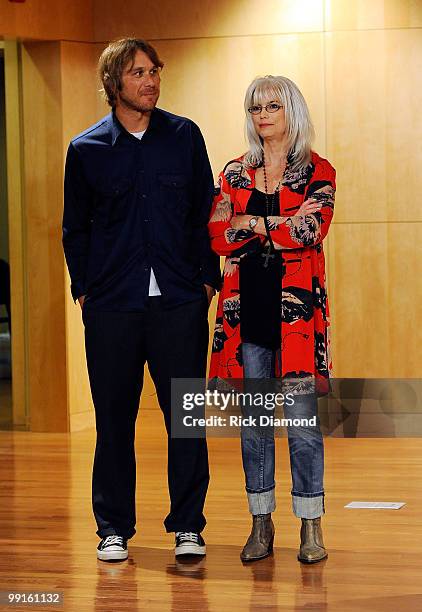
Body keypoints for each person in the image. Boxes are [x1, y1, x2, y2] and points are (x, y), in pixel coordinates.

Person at [62, 38, 221, 562]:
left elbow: (206, 212)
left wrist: (205, 281)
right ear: (114, 83)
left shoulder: (184, 136)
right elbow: (74, 230)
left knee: (186, 418)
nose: (150, 80)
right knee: (113, 420)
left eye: (154, 70)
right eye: (137, 72)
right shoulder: (85, 150)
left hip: (179, 301)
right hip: (112, 307)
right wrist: (85, 289)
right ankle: (113, 526)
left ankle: (188, 526)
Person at [208, 75, 336, 564]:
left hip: (297, 318)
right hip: (247, 317)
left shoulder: (317, 171)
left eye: (272, 107)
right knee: (255, 426)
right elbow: (219, 235)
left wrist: (253, 225)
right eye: (255, 108)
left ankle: (310, 526)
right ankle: (260, 523)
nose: (262, 115)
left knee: (302, 425)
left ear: (292, 113)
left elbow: (309, 228)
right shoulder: (236, 173)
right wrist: (265, 228)